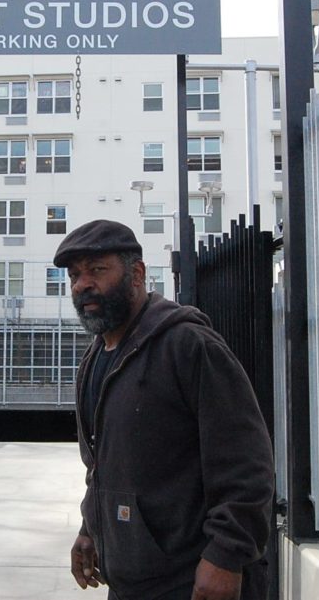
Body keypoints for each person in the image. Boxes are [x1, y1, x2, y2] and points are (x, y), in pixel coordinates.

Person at [54, 219, 274, 600]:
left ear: (136, 274)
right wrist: (91, 528)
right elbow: (102, 465)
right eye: (75, 275)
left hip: (192, 581)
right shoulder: (94, 361)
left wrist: (226, 556)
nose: (82, 284)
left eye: (96, 270)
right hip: (129, 581)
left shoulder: (188, 345)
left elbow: (247, 461)